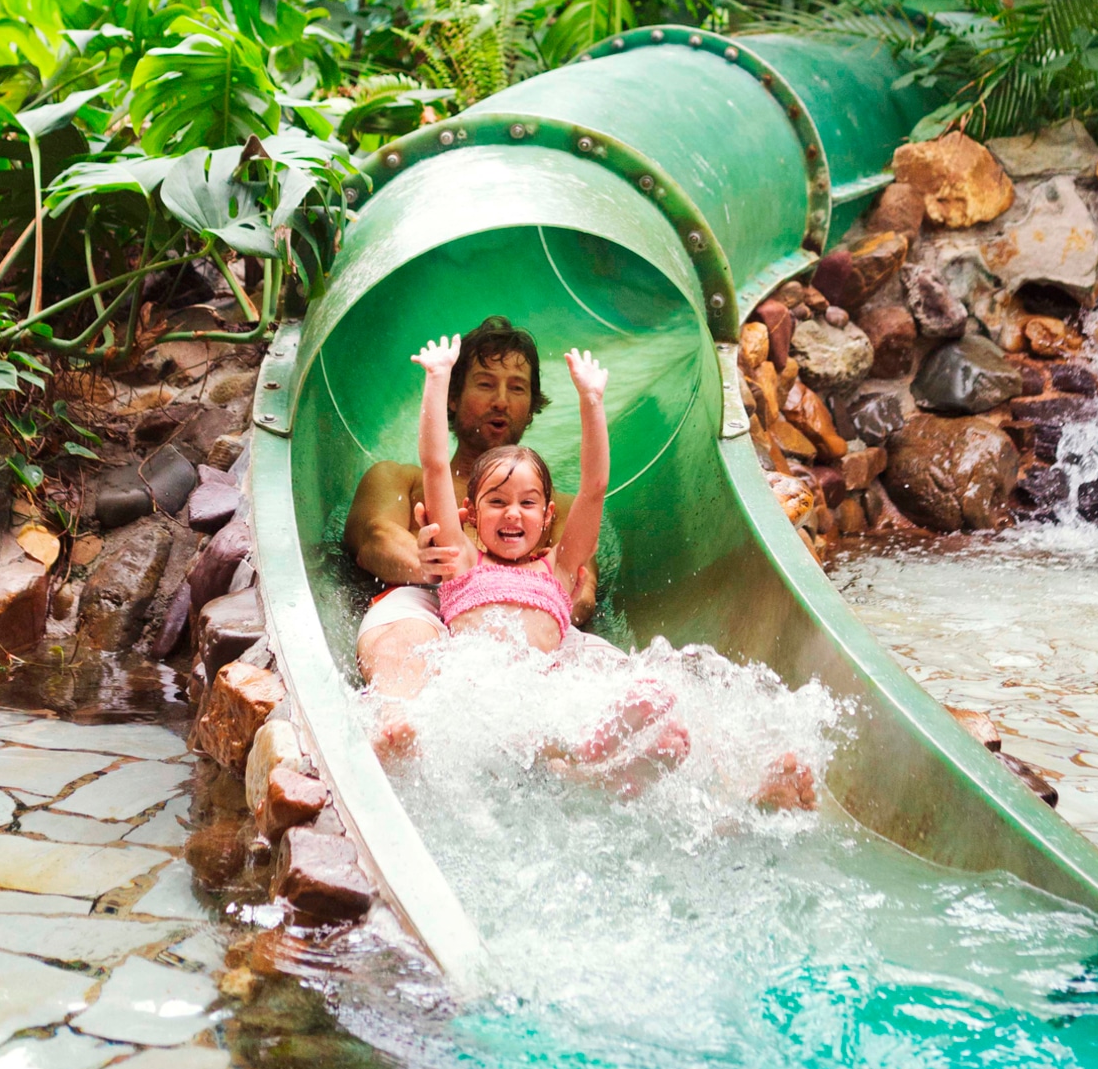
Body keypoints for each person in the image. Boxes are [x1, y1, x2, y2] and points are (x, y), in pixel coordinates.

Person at [370, 330, 818, 811]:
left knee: (648, 697)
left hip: (544, 683)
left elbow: (594, 488)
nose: (513, 514)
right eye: (496, 503)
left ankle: (747, 779)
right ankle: (595, 755)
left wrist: (592, 400)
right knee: (548, 731)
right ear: (472, 518)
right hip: (483, 690)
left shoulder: (560, 568)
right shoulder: (462, 561)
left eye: (527, 503)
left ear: (548, 520)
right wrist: (436, 380)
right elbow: (435, 465)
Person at [350, 315, 595, 696]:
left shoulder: (555, 506)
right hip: (422, 601)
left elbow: (582, 585)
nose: (501, 401)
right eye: (485, 384)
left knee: (594, 658)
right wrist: (442, 569)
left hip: (529, 616)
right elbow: (374, 539)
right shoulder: (401, 479)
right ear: (452, 395)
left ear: (531, 406)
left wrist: (528, 600)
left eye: (517, 388)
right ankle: (398, 716)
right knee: (404, 633)